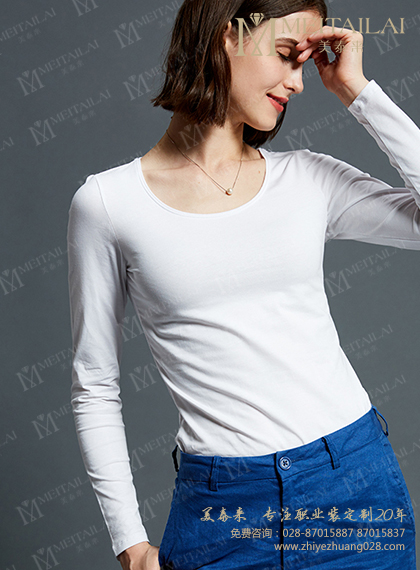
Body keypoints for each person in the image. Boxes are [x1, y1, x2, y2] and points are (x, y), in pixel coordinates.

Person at [67, 0, 419, 568]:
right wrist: (129, 543)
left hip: (351, 487)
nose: (298, 83)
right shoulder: (107, 204)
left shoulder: (308, 178)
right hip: (222, 508)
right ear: (227, 36)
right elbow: (95, 382)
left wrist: (358, 92)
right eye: (285, 54)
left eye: (304, 64)